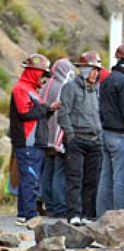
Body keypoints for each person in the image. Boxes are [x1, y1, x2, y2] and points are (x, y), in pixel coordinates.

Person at [10, 54, 60, 225]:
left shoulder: (32, 91)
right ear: (33, 72)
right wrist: (47, 107)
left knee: (31, 179)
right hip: (27, 143)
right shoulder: (21, 89)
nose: (44, 79)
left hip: (35, 143)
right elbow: (26, 113)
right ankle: (29, 215)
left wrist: (48, 109)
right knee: (30, 179)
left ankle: (24, 214)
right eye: (42, 74)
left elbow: (37, 115)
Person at [58, 51, 104, 225]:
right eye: (92, 69)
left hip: (95, 141)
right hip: (77, 140)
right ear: (84, 70)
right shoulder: (70, 87)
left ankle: (87, 214)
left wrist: (100, 134)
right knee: (74, 179)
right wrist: (70, 136)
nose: (95, 73)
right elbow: (63, 113)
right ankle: (74, 214)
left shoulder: (96, 90)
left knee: (92, 180)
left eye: (97, 70)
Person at [97, 43, 124, 216]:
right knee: (122, 181)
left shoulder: (107, 79)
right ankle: (121, 220)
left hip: (106, 134)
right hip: (122, 136)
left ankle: (103, 219)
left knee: (105, 180)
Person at [39, 58, 74, 218]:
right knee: (59, 172)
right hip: (59, 135)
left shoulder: (46, 85)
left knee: (48, 171)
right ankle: (60, 207)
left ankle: (50, 205)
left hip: (45, 135)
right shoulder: (64, 86)